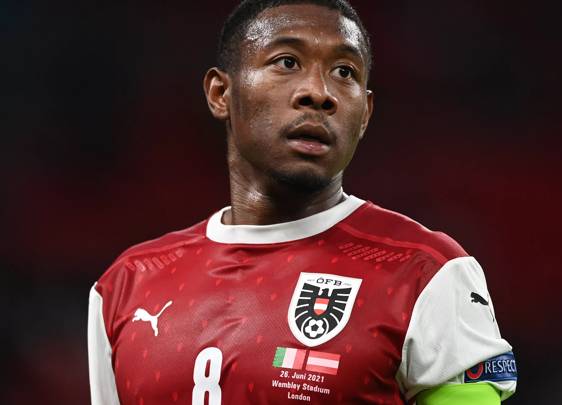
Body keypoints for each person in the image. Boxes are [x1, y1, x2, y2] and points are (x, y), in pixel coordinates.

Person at [87, 1, 518, 404]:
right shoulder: (126, 287)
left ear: (364, 114)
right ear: (221, 93)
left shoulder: (426, 273)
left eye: (345, 72)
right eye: (287, 62)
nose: (319, 91)